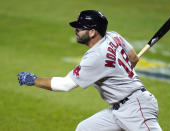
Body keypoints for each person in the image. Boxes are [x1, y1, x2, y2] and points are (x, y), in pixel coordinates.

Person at [17, 10, 162, 131]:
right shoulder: (114, 36)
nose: (76, 30)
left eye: (80, 28)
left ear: (92, 32)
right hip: (119, 109)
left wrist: (34, 80)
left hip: (136, 107)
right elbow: (134, 59)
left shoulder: (96, 56)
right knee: (85, 128)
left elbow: (65, 85)